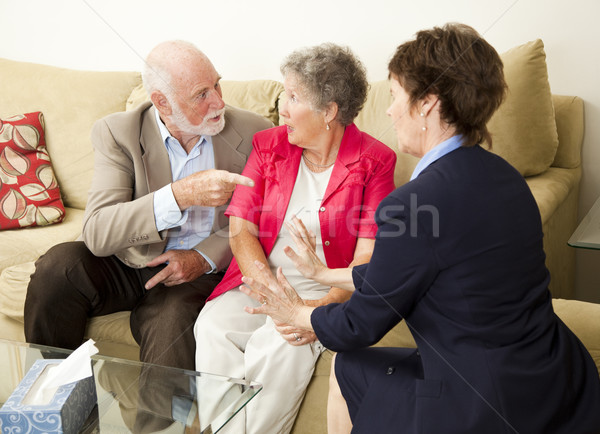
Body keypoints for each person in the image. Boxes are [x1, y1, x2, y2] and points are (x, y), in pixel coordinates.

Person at [240, 24, 600, 433]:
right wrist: (322, 273)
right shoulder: (505, 177)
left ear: (427, 104)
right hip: (556, 377)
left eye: (394, 96)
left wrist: (295, 312)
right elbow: (413, 271)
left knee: (348, 364)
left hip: (481, 403)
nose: (390, 111)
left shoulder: (413, 204)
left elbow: (360, 325)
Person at [23, 40, 273, 371]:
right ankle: (50, 401)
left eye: (217, 84)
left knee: (172, 321)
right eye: (202, 94)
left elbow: (265, 218)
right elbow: (98, 231)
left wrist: (202, 257)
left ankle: (160, 425)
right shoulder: (118, 132)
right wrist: (179, 196)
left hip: (196, 273)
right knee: (59, 268)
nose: (218, 102)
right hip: (128, 260)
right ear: (162, 103)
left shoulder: (255, 132)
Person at [193, 43, 396, 433]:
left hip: (323, 295)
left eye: (293, 97)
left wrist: (313, 310)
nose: (281, 108)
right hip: (260, 283)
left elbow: (366, 261)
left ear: (329, 111)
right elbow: (241, 229)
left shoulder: (375, 162)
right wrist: (272, 292)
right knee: (213, 326)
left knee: (284, 345)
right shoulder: (268, 146)